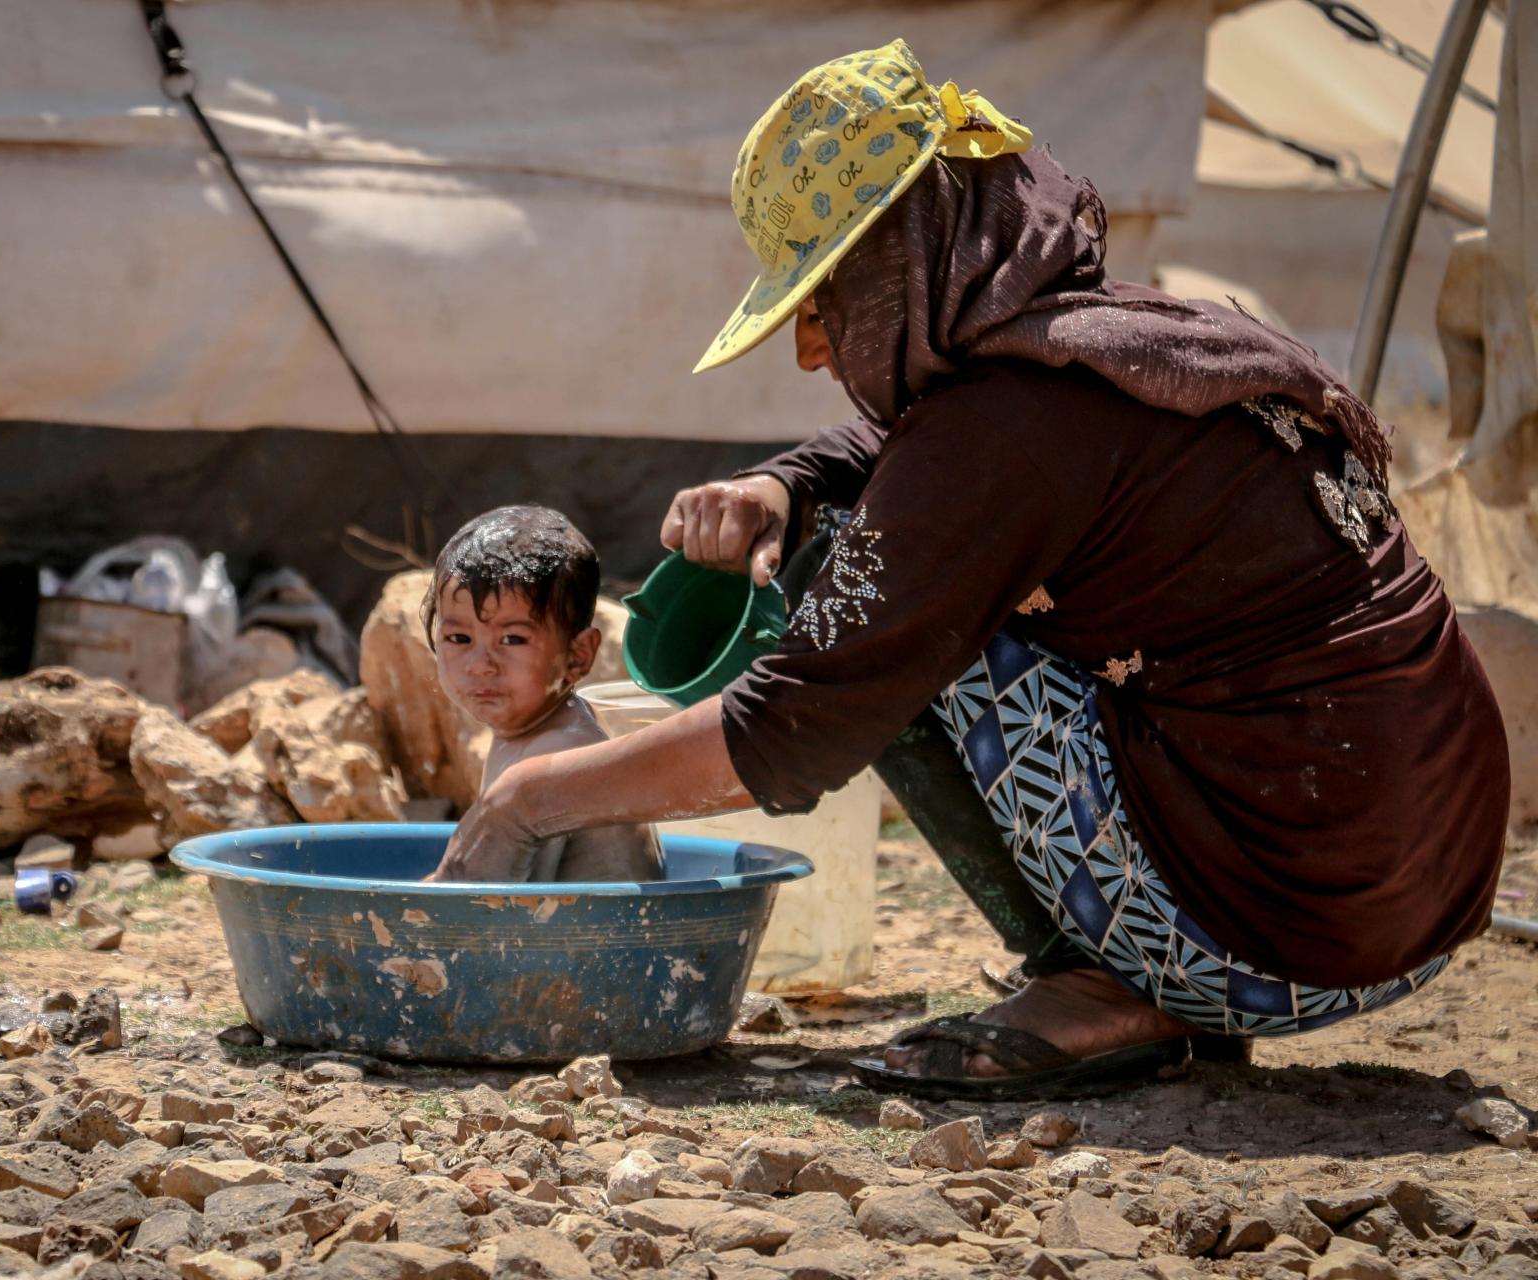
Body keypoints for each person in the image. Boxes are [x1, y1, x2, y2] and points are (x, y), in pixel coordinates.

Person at [430, 40, 1511, 1096]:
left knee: (864, 596)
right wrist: (790, 482)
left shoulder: (1006, 430)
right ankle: (1133, 968)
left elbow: (798, 719)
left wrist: (530, 798)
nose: (811, 349)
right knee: (882, 548)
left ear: (907, 260)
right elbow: (943, 455)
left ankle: (1111, 985)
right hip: (1421, 892)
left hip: (1286, 927)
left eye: (822, 299)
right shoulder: (1121, 343)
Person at [423, 505, 663, 883]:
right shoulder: (537, 735)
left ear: (577, 656)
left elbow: (480, 903)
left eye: (513, 639)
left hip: (600, 939)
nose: (480, 664)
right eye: (459, 638)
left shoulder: (560, 754)